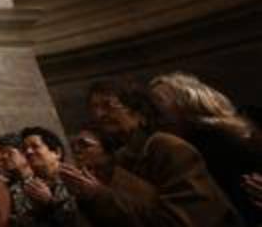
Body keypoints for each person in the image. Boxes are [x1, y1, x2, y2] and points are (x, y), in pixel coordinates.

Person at [60, 79, 242, 226]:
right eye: (94, 108)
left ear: (139, 112)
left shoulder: (168, 148)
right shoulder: (120, 159)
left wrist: (99, 195)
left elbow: (184, 220)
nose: (99, 115)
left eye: (109, 105)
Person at [150, 72, 262, 225]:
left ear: (187, 100)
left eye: (157, 103)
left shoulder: (211, 140)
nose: (151, 115)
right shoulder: (221, 134)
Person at [17, 126, 79, 226]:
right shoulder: (28, 186)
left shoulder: (75, 181)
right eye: (25, 149)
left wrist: (49, 203)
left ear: (57, 152)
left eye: (35, 146)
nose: (28, 152)